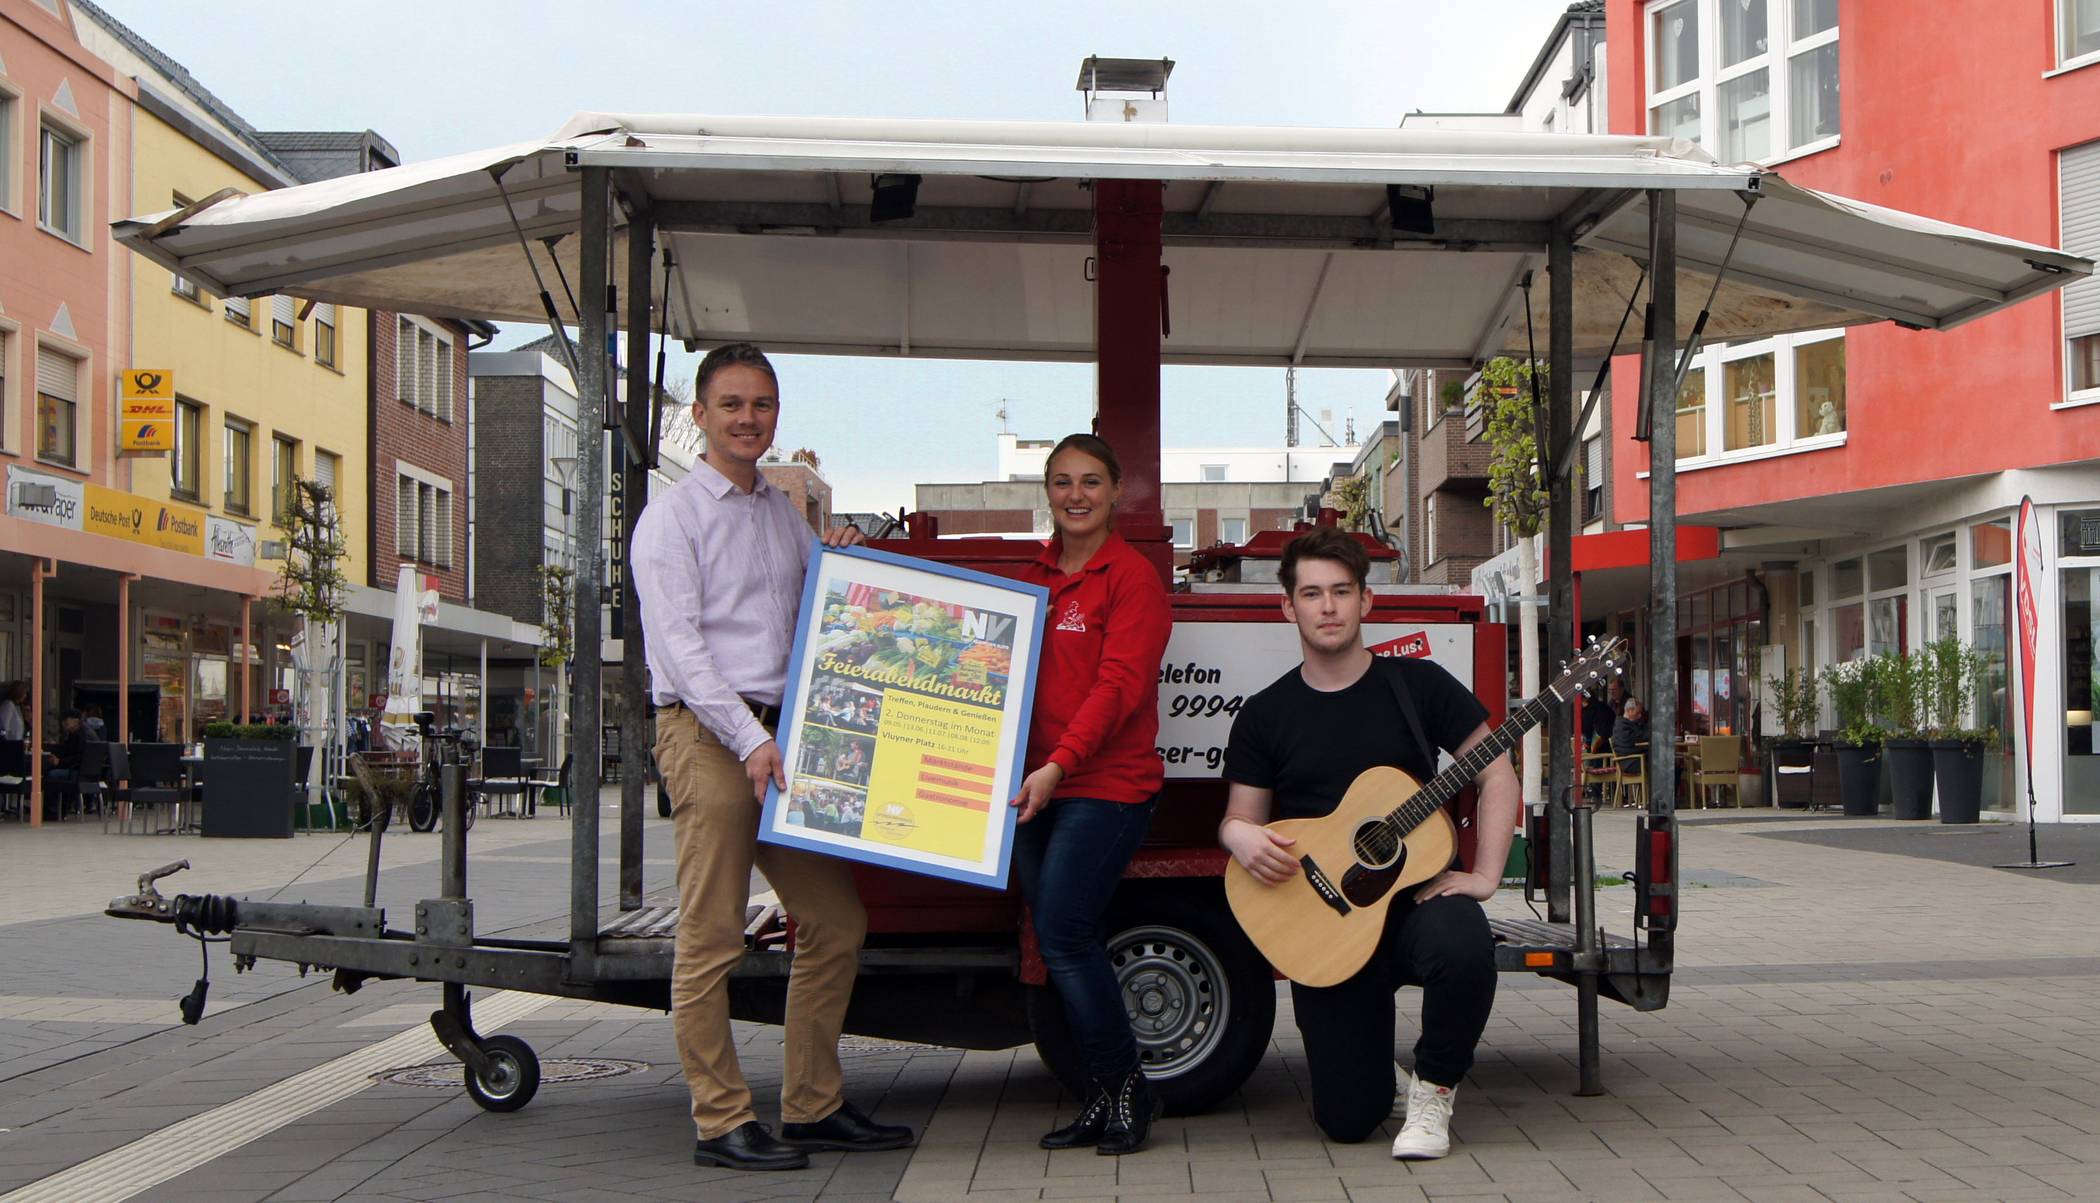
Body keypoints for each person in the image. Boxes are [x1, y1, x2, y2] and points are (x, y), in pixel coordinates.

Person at [631, 342, 911, 1173]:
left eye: (761, 405)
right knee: (712, 937)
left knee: (836, 921)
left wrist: (847, 559)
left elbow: (818, 609)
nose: (748, 418)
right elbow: (679, 649)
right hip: (711, 734)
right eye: (731, 405)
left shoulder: (780, 514)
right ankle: (720, 1120)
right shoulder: (671, 518)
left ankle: (811, 1106)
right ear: (700, 415)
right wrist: (749, 740)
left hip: (783, 737)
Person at [1218, 526, 1519, 1159]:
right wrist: (1242, 838)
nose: (1327, 607)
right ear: (1287, 606)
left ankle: (1434, 1090)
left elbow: (1497, 775)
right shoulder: (1266, 714)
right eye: (1311, 594)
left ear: (1366, 603)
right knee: (1349, 1120)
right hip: (1326, 920)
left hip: (1412, 907)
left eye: (1341, 592)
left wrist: (1487, 875)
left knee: (1465, 943)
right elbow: (1238, 819)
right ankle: (1373, 1076)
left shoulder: (1420, 687)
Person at [1008, 433, 1174, 1156]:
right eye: (1062, 482)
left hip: (1104, 787)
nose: (1076, 495)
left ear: (1116, 492)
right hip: (1036, 789)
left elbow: (1118, 690)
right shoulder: (1034, 577)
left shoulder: (1130, 579)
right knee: (1054, 940)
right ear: (1047, 491)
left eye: (1091, 482)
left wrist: (1059, 765)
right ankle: (1103, 1097)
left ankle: (1129, 1086)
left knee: (1066, 932)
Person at [43, 708, 88, 820]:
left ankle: (52, 811)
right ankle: (60, 810)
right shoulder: (82, 733)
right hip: (87, 773)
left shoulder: (80, 736)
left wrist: (60, 762)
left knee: (50, 775)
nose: (63, 723)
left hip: (77, 772)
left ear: (76, 720)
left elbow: (79, 756)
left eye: (66, 720)